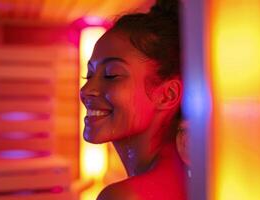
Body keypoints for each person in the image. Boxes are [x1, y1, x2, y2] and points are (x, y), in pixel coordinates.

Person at [80, 0, 189, 199]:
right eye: (89, 75)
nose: (87, 89)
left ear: (167, 95)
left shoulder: (122, 196)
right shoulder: (184, 175)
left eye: (111, 75)